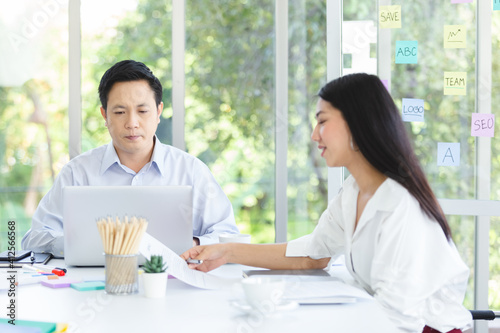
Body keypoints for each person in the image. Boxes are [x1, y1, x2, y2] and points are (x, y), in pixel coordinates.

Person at [181, 73, 472, 333]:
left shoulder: (401, 205)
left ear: (359, 124)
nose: (314, 134)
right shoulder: (354, 190)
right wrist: (228, 251)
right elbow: (313, 254)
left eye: (322, 121)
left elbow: (396, 320)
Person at [22, 60, 239, 257]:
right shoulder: (77, 172)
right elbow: (34, 238)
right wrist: (77, 244)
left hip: (172, 287)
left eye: (142, 111)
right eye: (119, 112)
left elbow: (228, 233)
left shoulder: (191, 171)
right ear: (104, 116)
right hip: (93, 287)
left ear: (158, 111)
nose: (132, 123)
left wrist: (193, 243)